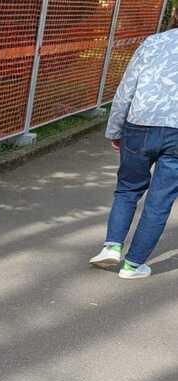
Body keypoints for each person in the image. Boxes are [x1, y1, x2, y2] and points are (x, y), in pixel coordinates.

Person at [90, 27, 178, 279]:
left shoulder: (154, 42)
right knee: (159, 201)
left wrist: (114, 129)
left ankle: (112, 246)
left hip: (140, 125)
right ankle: (133, 265)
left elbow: (127, 87)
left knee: (128, 188)